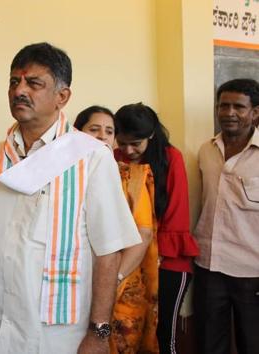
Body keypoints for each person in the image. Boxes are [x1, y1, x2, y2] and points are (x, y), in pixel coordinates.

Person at [0, 43, 141, 354]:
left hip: (58, 335)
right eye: (14, 82)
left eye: (33, 83)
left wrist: (100, 333)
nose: (19, 91)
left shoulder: (90, 158)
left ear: (62, 97)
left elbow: (108, 253)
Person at [114, 103, 199, 354]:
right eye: (122, 142)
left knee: (163, 335)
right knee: (127, 331)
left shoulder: (171, 157)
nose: (128, 150)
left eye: (136, 143)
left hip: (167, 259)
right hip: (128, 259)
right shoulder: (114, 158)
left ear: (151, 136)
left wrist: (156, 254)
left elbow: (177, 210)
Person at [76, 106, 159, 353]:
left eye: (109, 131)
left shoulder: (131, 176)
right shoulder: (62, 177)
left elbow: (143, 235)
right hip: (74, 287)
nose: (102, 135)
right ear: (75, 133)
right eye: (94, 129)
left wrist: (112, 281)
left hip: (120, 285)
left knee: (111, 341)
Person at [194, 78, 259, 354]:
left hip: (252, 269)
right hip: (209, 265)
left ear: (255, 112)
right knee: (210, 343)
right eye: (223, 106)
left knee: (253, 343)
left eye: (238, 107)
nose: (229, 113)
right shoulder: (206, 150)